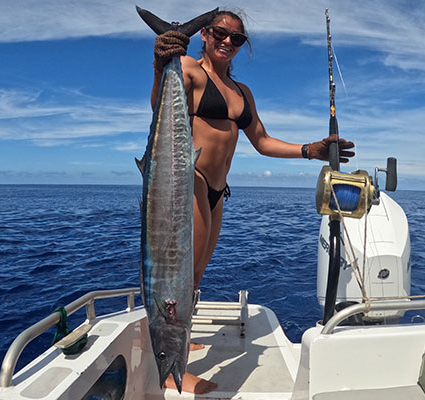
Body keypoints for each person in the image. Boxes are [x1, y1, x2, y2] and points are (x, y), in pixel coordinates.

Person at [150, 9, 355, 393]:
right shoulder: (189, 69)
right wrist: (161, 64)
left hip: (217, 192)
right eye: (219, 33)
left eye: (236, 38)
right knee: (177, 278)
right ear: (205, 35)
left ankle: (179, 341)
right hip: (188, 182)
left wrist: (311, 150)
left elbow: (261, 141)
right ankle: (166, 366)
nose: (226, 41)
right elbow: (159, 107)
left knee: (193, 277)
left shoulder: (243, 93)